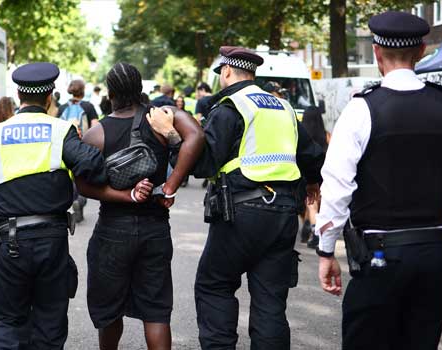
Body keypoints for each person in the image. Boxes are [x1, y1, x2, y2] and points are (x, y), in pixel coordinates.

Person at [316, 12, 442, 349]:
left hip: (378, 256)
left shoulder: (361, 109)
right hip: (432, 255)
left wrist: (327, 250)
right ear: (423, 51)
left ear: (376, 53)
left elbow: (337, 187)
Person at [0, 62, 152, 349]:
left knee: (3, 319)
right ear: (50, 97)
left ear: (19, 96)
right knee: (49, 321)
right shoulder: (60, 131)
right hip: (52, 240)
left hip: (8, 240)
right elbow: (93, 168)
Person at [148, 46, 324, 349]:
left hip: (241, 214)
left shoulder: (231, 107)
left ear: (226, 72)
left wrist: (172, 136)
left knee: (214, 285)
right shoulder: (283, 107)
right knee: (270, 300)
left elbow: (204, 165)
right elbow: (311, 154)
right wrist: (313, 181)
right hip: (284, 216)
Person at [80, 62, 204, 350]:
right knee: (156, 310)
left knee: (110, 310)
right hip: (155, 227)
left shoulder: (97, 134)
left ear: (110, 93)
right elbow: (196, 136)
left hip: (112, 230)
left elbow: (83, 185)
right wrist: (171, 183)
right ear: (140, 89)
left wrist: (125, 196)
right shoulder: (162, 118)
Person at [57, 79, 100, 222]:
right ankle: (80, 201)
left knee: (70, 177)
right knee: (82, 177)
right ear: (82, 91)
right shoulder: (88, 107)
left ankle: (73, 198)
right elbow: (95, 127)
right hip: (83, 147)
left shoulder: (62, 108)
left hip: (66, 146)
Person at [300, 106, 330, 248]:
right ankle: (310, 230)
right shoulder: (326, 136)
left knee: (311, 204)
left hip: (306, 173)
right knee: (316, 203)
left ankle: (314, 232)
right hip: (323, 173)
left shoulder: (302, 135)